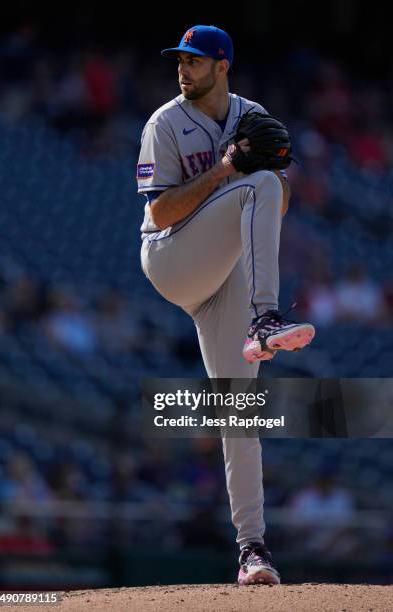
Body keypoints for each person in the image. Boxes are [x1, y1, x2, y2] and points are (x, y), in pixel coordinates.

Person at [137, 25, 315, 586]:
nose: (183, 69)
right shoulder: (164, 123)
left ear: (222, 66)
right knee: (254, 181)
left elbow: (278, 201)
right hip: (172, 258)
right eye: (179, 60)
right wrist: (226, 170)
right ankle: (266, 318)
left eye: (194, 60)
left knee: (240, 414)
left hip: (225, 275)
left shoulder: (251, 114)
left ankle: (252, 549)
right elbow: (159, 214)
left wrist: (269, 176)